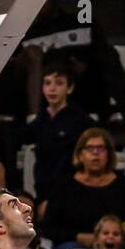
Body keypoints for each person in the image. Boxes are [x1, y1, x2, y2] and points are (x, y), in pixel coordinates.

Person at [42, 128, 125, 249]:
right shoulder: (64, 185)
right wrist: (79, 237)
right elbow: (49, 228)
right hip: (76, 245)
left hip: (118, 245)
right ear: (80, 155)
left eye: (101, 148)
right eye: (90, 148)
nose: (95, 153)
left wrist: (114, 237)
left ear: (109, 154)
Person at [17, 61, 95, 202]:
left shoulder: (81, 122)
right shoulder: (41, 119)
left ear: (69, 88)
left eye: (58, 83)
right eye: (47, 83)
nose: (52, 89)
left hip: (71, 191)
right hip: (42, 191)